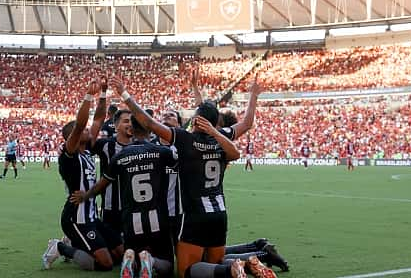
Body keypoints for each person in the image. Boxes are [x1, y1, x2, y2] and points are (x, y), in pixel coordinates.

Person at [111, 77, 273, 278]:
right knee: (211, 266)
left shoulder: (185, 139)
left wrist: (125, 95)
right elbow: (247, 123)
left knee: (186, 271)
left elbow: (148, 122)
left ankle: (233, 269)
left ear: (197, 120)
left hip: (194, 215)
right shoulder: (220, 138)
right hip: (220, 214)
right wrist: (254, 96)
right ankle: (246, 264)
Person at [72, 115, 176, 278]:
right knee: (168, 266)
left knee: (132, 257)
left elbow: (102, 184)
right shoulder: (162, 152)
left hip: (131, 220)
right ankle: (150, 261)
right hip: (157, 218)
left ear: (132, 130)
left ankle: (131, 257)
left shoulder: (121, 156)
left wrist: (86, 195)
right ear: (150, 129)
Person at [41, 80, 124, 271]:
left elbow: (99, 119)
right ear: (75, 136)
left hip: (91, 216)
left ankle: (77, 243)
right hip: (75, 217)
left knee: (120, 252)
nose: (89, 131)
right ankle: (61, 247)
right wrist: (88, 96)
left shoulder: (86, 151)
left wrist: (103, 94)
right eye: (85, 131)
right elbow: (80, 124)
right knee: (105, 264)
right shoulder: (68, 155)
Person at [91, 109, 133, 236]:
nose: (130, 124)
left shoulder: (142, 146)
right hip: (111, 209)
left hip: (135, 209)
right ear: (115, 125)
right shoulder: (104, 145)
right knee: (113, 250)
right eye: (126, 121)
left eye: (133, 121)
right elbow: (83, 148)